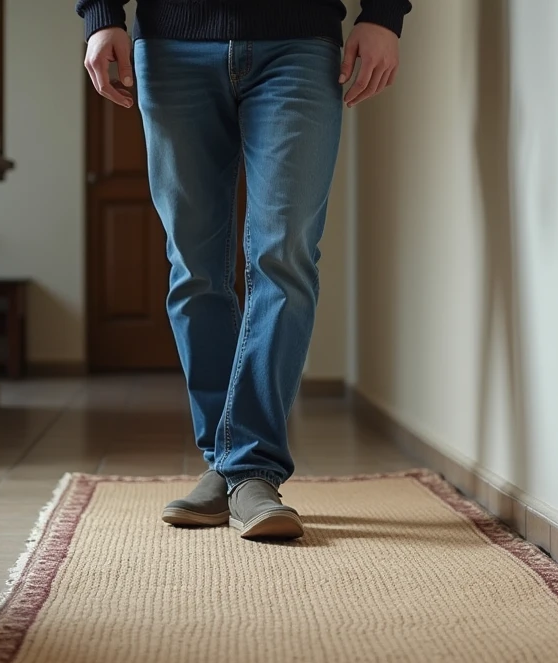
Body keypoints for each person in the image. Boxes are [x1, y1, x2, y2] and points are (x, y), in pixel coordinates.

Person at [78, 0, 411, 541]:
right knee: (195, 269)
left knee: (285, 257)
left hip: (299, 42)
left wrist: (384, 14)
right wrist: (100, 15)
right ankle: (231, 466)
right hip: (171, 43)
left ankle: (248, 468)